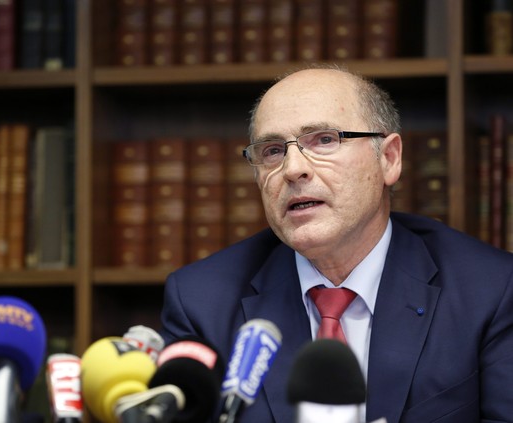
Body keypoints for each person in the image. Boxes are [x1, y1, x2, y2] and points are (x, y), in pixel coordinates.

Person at [159, 64, 513, 423]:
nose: (294, 168)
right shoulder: (201, 302)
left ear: (389, 159)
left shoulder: (491, 290)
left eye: (325, 140)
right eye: (272, 150)